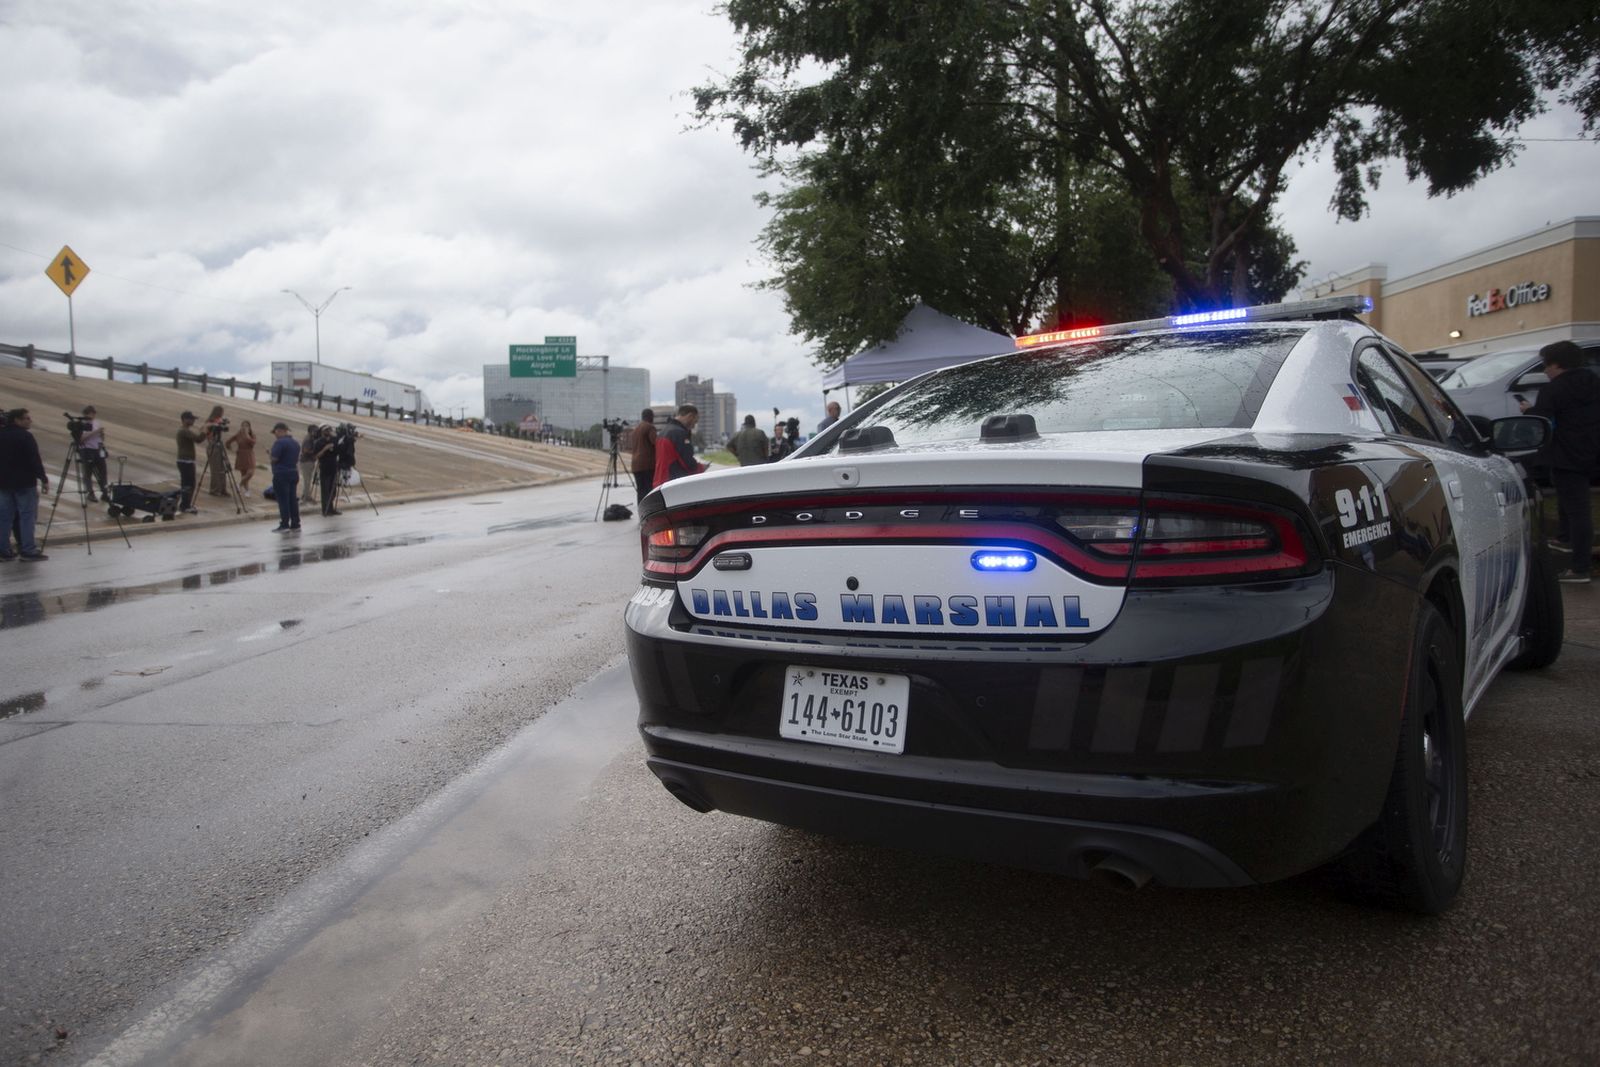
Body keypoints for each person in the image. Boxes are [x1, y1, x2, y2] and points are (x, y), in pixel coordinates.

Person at [1520, 340, 1600, 583]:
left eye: (1546, 365)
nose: (1545, 370)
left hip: (1567, 454)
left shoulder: (1554, 389)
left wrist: (1527, 410)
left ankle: (1580, 568)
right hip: (1593, 451)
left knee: (1578, 509)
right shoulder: (1594, 383)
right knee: (1571, 499)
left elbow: (1541, 419)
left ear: (1556, 364)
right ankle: (1564, 538)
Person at [0, 408, 50, 561]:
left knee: (4, 517)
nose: (29, 421)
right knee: (27, 516)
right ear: (17, 420)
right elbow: (34, 459)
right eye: (26, 418)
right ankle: (28, 549)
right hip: (24, 482)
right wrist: (43, 478)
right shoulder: (25, 436)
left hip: (4, 483)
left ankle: (3, 550)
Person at [653, 404, 707, 488]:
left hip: (661, 480)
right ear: (690, 416)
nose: (693, 426)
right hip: (673, 482)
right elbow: (688, 462)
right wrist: (701, 468)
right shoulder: (679, 433)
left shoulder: (664, 431)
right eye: (695, 422)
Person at [267, 422, 301, 533]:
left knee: (283, 500)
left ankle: (284, 524)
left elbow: (274, 459)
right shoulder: (295, 443)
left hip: (281, 474)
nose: (275, 435)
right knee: (292, 500)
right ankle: (295, 523)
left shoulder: (279, 443)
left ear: (279, 430)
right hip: (293, 472)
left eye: (275, 432)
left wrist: (270, 454)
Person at [174, 411, 206, 513]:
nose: (193, 421)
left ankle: (185, 504)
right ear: (184, 419)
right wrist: (205, 431)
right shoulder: (183, 431)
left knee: (188, 483)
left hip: (185, 460)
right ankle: (185, 506)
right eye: (191, 419)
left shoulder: (184, 430)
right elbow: (198, 439)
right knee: (188, 484)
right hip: (185, 461)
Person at [77, 405, 110, 501]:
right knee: (88, 472)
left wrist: (101, 435)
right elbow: (81, 439)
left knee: (103, 472)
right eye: (91, 414)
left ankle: (105, 492)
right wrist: (95, 432)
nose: (92, 416)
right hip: (87, 450)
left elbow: (101, 439)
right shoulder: (82, 424)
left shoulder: (97, 423)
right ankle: (90, 493)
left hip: (98, 449)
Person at [629, 408, 658, 503]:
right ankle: (649, 513)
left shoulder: (635, 430)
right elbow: (655, 443)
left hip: (635, 465)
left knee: (640, 491)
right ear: (650, 417)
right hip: (647, 465)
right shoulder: (650, 427)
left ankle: (641, 511)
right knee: (649, 491)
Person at [313, 426, 342, 516]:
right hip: (324, 467)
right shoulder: (318, 442)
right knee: (325, 490)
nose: (328, 432)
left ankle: (331, 508)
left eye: (329, 430)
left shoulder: (333, 440)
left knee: (333, 490)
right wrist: (325, 449)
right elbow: (316, 456)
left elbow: (338, 450)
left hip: (333, 467)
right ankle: (325, 510)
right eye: (326, 430)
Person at [226, 420, 257, 496]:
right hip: (241, 455)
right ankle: (247, 491)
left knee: (250, 473)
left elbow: (252, 443)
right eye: (243, 425)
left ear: (249, 427)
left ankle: (239, 485)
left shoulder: (252, 434)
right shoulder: (238, 434)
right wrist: (232, 449)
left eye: (246, 425)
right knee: (244, 474)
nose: (244, 427)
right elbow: (227, 442)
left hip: (249, 454)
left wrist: (246, 434)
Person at [203, 404, 229, 495]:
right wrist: (214, 424)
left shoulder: (218, 421)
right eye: (221, 412)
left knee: (223, 469)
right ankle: (214, 489)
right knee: (215, 469)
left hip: (219, 445)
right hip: (213, 445)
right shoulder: (210, 422)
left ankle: (222, 489)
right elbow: (205, 431)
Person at [298, 425, 320, 503]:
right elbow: (305, 450)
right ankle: (306, 498)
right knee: (307, 480)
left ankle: (306, 495)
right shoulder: (308, 439)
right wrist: (315, 453)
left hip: (308, 461)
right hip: (306, 461)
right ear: (311, 431)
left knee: (308, 480)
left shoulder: (311, 438)